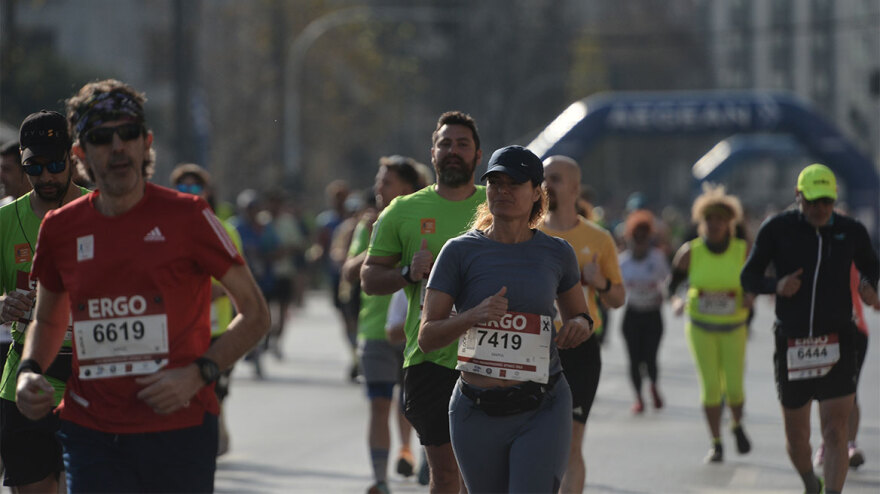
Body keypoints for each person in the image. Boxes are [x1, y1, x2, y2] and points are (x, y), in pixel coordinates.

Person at [14, 79, 270, 493]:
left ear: (146, 143)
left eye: (128, 133)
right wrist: (29, 371)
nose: (117, 146)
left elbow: (256, 314)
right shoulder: (61, 228)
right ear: (80, 154)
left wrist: (197, 373)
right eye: (101, 137)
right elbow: (47, 319)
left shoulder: (189, 216)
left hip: (179, 427)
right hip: (90, 430)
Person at [419, 145, 593, 492]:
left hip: (542, 405)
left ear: (536, 193)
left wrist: (577, 327)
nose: (502, 191)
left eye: (513, 183)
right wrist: (473, 315)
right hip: (476, 409)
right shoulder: (459, 251)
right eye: (495, 183)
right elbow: (427, 336)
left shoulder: (557, 253)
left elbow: (582, 317)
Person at [361, 111, 487, 493]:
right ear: (432, 153)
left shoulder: (497, 205)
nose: (453, 151)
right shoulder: (402, 211)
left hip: (491, 358)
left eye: (462, 144)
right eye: (445, 144)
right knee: (447, 475)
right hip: (430, 359)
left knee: (480, 476)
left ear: (477, 156)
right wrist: (406, 273)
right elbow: (368, 278)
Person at [741, 164, 879, 494]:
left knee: (835, 431)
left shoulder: (851, 230)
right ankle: (808, 481)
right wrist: (777, 284)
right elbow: (749, 277)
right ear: (798, 196)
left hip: (838, 339)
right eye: (813, 201)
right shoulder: (777, 228)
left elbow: (872, 267)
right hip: (793, 342)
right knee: (798, 437)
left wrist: (869, 285)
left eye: (826, 202)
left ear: (834, 199)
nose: (820, 209)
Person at [0, 110, 89, 493]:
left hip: (95, 381)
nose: (46, 177)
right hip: (27, 380)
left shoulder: (100, 213)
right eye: (34, 167)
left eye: (55, 164)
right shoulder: (5, 221)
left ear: (71, 158)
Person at [342, 155, 429, 494]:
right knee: (379, 404)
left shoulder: (425, 220)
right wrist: (382, 248)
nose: (378, 187)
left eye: (386, 182)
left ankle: (421, 456)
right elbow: (349, 272)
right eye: (379, 181)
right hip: (375, 330)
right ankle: (380, 479)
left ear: (407, 188)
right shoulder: (369, 226)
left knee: (418, 403)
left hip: (418, 329)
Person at [538, 154, 624, 493]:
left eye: (556, 178)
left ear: (574, 188)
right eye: (543, 178)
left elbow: (618, 298)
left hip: (580, 349)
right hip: (535, 348)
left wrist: (600, 282)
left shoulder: (599, 238)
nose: (546, 185)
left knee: (571, 444)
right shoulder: (529, 233)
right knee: (540, 441)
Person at [669, 183, 752, 463]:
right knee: (711, 387)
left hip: (734, 328)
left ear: (730, 223)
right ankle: (716, 442)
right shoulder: (690, 252)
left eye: (720, 219)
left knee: (735, 387)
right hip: (701, 327)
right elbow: (673, 287)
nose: (714, 224)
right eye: (709, 219)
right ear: (701, 223)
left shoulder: (742, 251)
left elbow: (757, 281)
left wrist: (750, 296)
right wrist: (678, 302)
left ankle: (737, 425)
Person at [170, 162, 244, 456]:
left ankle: (217, 432)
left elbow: (241, 279)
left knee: (215, 387)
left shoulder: (224, 229)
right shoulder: (167, 228)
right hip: (183, 327)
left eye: (194, 186)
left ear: (207, 191)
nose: (189, 192)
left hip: (218, 326)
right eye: (182, 187)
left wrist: (217, 292)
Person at [618, 209, 670, 414]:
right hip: (632, 315)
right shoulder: (622, 261)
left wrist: (664, 294)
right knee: (633, 359)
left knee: (650, 358)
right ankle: (638, 398)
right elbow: (616, 286)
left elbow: (668, 280)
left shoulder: (657, 259)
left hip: (652, 315)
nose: (639, 242)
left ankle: (654, 386)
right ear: (629, 238)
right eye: (635, 238)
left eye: (644, 237)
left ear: (649, 239)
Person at [0, 141, 31, 206]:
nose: (1, 175)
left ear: (26, 172)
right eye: (1, 169)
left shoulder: (49, 209)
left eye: (7, 169)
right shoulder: (2, 209)